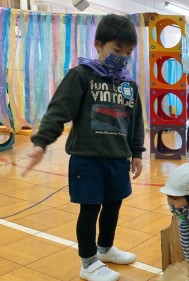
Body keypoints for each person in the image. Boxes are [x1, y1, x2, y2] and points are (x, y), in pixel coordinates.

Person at [22, 15, 145, 281]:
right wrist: (41, 142)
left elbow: (135, 121)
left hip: (117, 159)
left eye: (128, 52)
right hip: (87, 160)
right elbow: (59, 110)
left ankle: (105, 248)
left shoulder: (128, 84)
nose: (123, 57)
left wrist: (136, 153)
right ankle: (88, 262)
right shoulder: (81, 75)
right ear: (98, 45)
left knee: (113, 206)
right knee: (90, 209)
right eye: (116, 50)